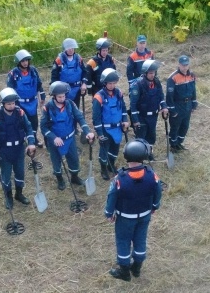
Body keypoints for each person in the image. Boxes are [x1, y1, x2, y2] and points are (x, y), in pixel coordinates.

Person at [104, 139, 162, 281]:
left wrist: (109, 213)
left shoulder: (119, 179)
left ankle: (124, 271)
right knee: (140, 239)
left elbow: (112, 196)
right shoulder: (152, 175)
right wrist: (154, 206)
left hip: (125, 218)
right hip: (144, 215)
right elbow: (158, 191)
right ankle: (137, 268)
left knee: (123, 241)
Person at [0, 88, 37, 209]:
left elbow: (28, 128)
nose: (11, 105)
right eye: (9, 103)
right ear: (3, 104)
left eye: (13, 103)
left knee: (20, 173)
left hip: (19, 149)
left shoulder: (20, 113)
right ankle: (8, 197)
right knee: (6, 175)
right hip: (4, 151)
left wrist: (31, 143)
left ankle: (19, 194)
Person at [40, 81, 95, 190]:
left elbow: (80, 118)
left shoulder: (70, 104)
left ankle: (74, 177)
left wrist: (87, 131)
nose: (62, 98)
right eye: (59, 97)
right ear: (54, 96)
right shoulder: (47, 108)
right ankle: (60, 178)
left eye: (64, 96)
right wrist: (53, 138)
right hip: (55, 141)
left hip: (70, 138)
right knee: (56, 161)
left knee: (74, 159)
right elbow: (43, 127)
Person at [92, 68, 129, 180]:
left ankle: (111, 165)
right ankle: (103, 169)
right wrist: (99, 133)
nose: (112, 85)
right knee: (104, 150)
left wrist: (125, 120)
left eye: (114, 83)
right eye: (110, 83)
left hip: (117, 127)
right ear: (105, 83)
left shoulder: (119, 93)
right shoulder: (99, 97)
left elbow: (123, 108)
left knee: (115, 148)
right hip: (105, 129)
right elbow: (96, 117)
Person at [128, 60, 168, 158]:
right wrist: (135, 120)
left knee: (151, 136)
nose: (152, 75)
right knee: (141, 137)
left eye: (154, 72)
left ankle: (149, 153)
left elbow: (161, 96)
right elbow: (133, 104)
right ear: (145, 73)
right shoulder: (137, 85)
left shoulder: (157, 82)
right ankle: (140, 155)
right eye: (150, 73)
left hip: (153, 116)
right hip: (142, 116)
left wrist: (164, 107)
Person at [7, 49, 46, 148]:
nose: (25, 63)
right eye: (23, 61)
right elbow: (9, 89)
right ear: (18, 62)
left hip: (33, 102)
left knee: (34, 122)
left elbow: (39, 84)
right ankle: (22, 141)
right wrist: (12, 103)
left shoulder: (33, 70)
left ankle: (34, 139)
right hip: (20, 103)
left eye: (27, 60)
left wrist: (42, 96)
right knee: (21, 123)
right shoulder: (13, 74)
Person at [166, 55, 198, 152]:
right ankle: (173, 145)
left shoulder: (191, 75)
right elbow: (169, 95)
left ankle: (179, 143)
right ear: (179, 65)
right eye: (183, 65)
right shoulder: (173, 78)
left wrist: (194, 102)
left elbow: (193, 90)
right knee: (175, 126)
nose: (185, 67)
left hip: (187, 105)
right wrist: (172, 109)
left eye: (186, 65)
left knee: (185, 126)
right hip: (177, 105)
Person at [51, 38, 88, 108]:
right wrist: (56, 91)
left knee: (75, 109)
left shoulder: (79, 58)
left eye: (72, 48)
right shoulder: (59, 60)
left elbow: (84, 72)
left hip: (77, 89)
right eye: (69, 48)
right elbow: (54, 77)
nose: (71, 50)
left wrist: (84, 83)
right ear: (65, 49)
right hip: (64, 91)